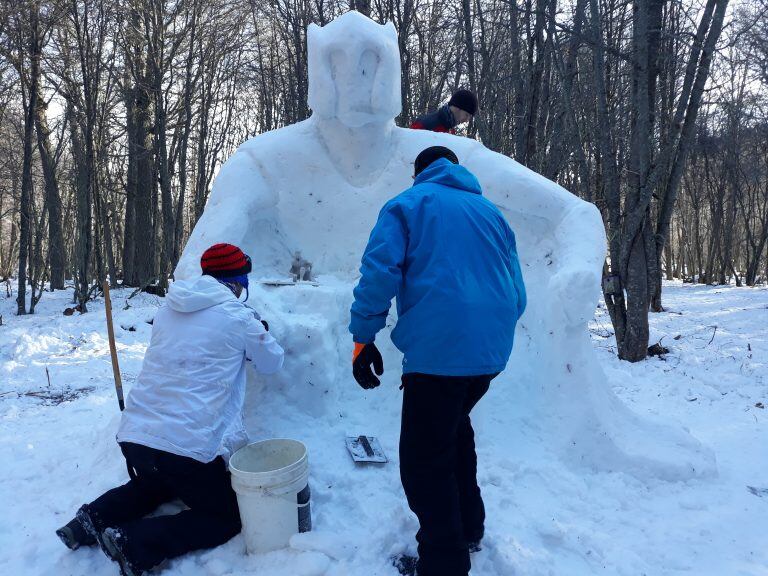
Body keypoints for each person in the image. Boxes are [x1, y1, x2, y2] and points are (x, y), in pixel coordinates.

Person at [56, 243, 284, 576]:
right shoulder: (240, 318)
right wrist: (260, 332)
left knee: (157, 484)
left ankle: (89, 521)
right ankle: (135, 542)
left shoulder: (169, 309)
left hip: (135, 439)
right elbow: (271, 362)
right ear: (237, 283)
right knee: (226, 516)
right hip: (184, 448)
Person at [349, 146, 526, 576]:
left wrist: (363, 338)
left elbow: (379, 271)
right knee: (453, 429)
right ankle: (468, 526)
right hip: (491, 353)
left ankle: (443, 563)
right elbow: (517, 289)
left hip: (440, 352)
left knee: (423, 459)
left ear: (418, 173)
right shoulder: (490, 213)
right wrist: (492, 332)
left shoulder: (409, 204)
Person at [409, 89, 478, 134]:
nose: (467, 120)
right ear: (457, 108)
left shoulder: (451, 130)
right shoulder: (424, 124)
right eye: (467, 115)